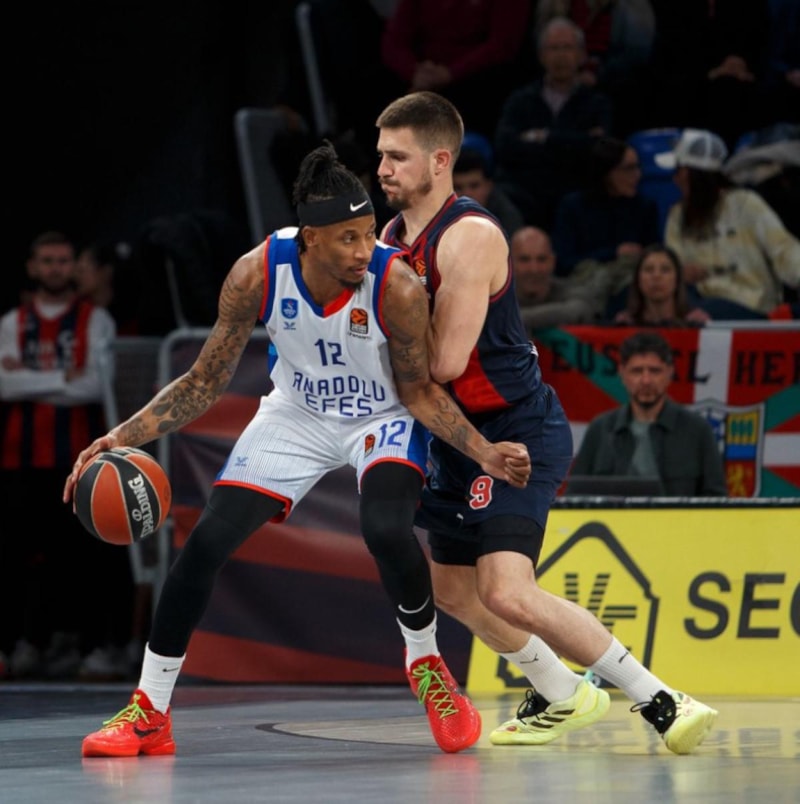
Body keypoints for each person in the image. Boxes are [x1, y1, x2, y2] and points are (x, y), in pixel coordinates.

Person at [65, 142, 532, 758]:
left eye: (369, 233)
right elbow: (204, 381)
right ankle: (150, 711)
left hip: (382, 414)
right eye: (348, 239)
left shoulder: (395, 284)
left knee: (386, 529)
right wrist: (121, 436)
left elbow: (419, 391)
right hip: (298, 412)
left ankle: (426, 665)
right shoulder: (256, 273)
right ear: (309, 238)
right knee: (203, 546)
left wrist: (483, 450)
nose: (365, 250)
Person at [376, 90, 718, 754]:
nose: (384, 169)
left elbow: (443, 363)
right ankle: (561, 691)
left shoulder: (470, 235)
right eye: (381, 155)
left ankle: (663, 700)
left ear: (440, 160)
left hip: (514, 431)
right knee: (453, 590)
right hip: (453, 437)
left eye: (398, 156)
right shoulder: (391, 240)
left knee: (506, 590)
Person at [0, 231, 132, 680]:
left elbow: (95, 386)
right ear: (32, 267)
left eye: (62, 260)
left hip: (80, 461)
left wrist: (30, 378)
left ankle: (91, 647)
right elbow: (4, 386)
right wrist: (64, 378)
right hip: (21, 460)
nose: (55, 268)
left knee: (84, 558)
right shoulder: (12, 321)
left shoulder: (96, 320)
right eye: (46, 260)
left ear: (73, 266)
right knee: (18, 558)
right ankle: (19, 646)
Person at [656, 128, 800, 319]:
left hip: (749, 306)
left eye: (678, 171)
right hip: (698, 305)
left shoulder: (746, 203)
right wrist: (679, 273)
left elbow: (784, 250)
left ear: (693, 174)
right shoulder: (677, 215)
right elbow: (670, 264)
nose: (675, 179)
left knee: (706, 310)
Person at [570, 331, 727, 496]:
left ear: (669, 373)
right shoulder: (601, 429)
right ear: (622, 373)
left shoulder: (697, 430)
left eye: (655, 371)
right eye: (637, 371)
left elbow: (716, 498)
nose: (646, 380)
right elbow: (574, 497)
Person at [493, 16, 613, 230]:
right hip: (527, 192)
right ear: (541, 56)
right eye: (553, 48)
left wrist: (544, 137)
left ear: (582, 54)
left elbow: (600, 151)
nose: (561, 56)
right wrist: (574, 143)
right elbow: (505, 147)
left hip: (577, 191)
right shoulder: (520, 100)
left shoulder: (597, 103)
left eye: (567, 48)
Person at [380, 0, 532, 140]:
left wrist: (450, 73)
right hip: (421, 73)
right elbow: (395, 40)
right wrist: (414, 71)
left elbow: (502, 45)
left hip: (477, 77)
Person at [551, 135, 661, 318]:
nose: (638, 175)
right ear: (607, 173)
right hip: (583, 284)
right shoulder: (573, 207)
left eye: (638, 167)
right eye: (629, 168)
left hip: (628, 285)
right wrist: (614, 253)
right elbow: (564, 263)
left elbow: (656, 253)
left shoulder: (645, 207)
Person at [511, 226, 599, 331]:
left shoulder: (572, 291)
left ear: (552, 262)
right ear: (509, 263)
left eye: (541, 259)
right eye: (524, 260)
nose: (534, 269)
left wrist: (512, 319)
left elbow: (579, 309)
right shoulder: (497, 298)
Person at [613, 243, 710, 327]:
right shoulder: (626, 323)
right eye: (649, 269)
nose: (656, 276)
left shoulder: (695, 321)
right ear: (638, 279)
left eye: (665, 270)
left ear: (677, 280)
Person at [453, 147, 525, 237]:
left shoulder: (507, 217)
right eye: (458, 188)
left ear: (488, 186)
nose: (466, 194)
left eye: (474, 186)